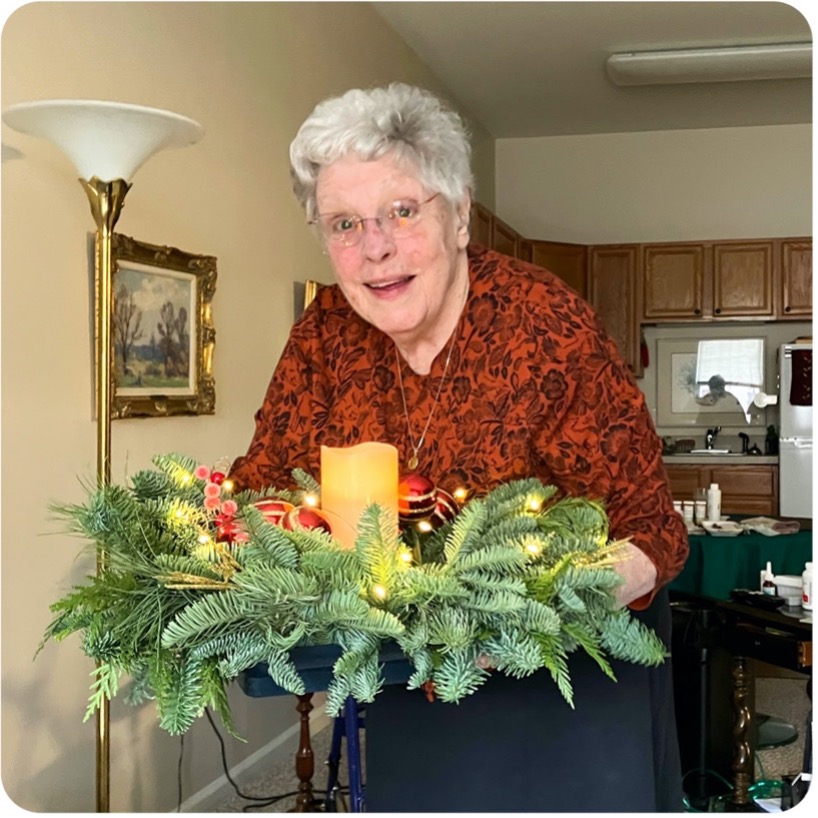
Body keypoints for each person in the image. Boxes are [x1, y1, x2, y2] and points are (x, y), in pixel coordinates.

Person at [229, 82, 689, 812]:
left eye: (402, 211)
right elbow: (260, 492)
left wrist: (520, 614)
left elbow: (652, 532)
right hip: (414, 674)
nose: (375, 248)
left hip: (569, 676)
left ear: (461, 215)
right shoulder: (324, 335)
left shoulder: (545, 327)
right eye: (344, 223)